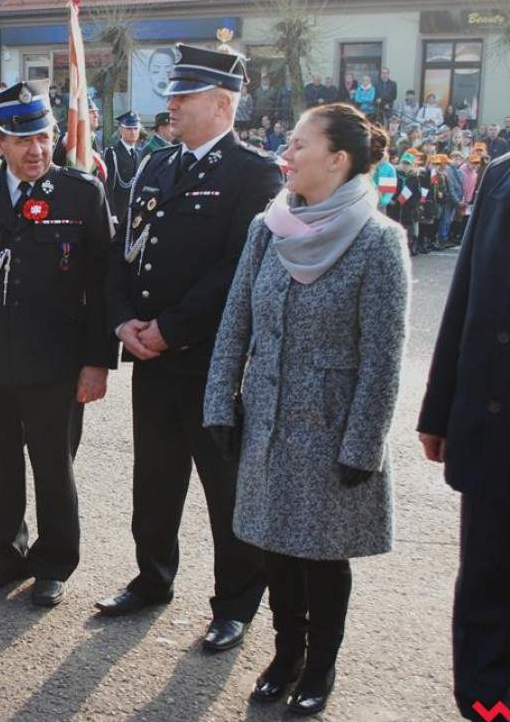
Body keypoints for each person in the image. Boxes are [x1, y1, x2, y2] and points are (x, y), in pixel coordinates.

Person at [205, 102, 409, 715]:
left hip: (330, 426)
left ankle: (320, 664)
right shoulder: (268, 229)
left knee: (322, 554)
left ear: (338, 159)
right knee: (274, 546)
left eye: (298, 145)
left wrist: (363, 445)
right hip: (266, 420)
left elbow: (383, 356)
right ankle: (285, 653)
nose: (285, 154)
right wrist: (220, 403)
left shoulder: (379, 241)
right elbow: (235, 322)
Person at [98, 45, 282, 655]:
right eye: (172, 94)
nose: (170, 105)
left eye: (184, 95)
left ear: (222, 104)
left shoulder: (254, 173)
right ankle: (152, 578)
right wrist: (122, 319)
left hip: (210, 361)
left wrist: (171, 328)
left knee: (224, 488)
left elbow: (237, 268)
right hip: (151, 357)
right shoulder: (156, 165)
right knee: (154, 480)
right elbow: (125, 249)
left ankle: (235, 603)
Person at [0, 79, 116, 607]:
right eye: (22, 140)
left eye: (43, 136)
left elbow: (102, 287)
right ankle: (7, 554)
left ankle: (54, 561)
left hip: (56, 363)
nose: (36, 149)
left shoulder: (82, 194)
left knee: (53, 467)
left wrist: (98, 363)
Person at [418, 151, 510, 720]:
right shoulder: (502, 173)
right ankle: (488, 706)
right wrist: (439, 410)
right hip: (494, 421)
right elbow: (466, 296)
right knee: (486, 579)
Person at [103, 110, 141, 224]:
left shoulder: (138, 154)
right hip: (119, 211)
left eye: (135, 128)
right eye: (129, 129)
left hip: (133, 212)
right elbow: (108, 186)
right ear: (120, 130)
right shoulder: (113, 153)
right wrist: (112, 213)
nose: (133, 132)